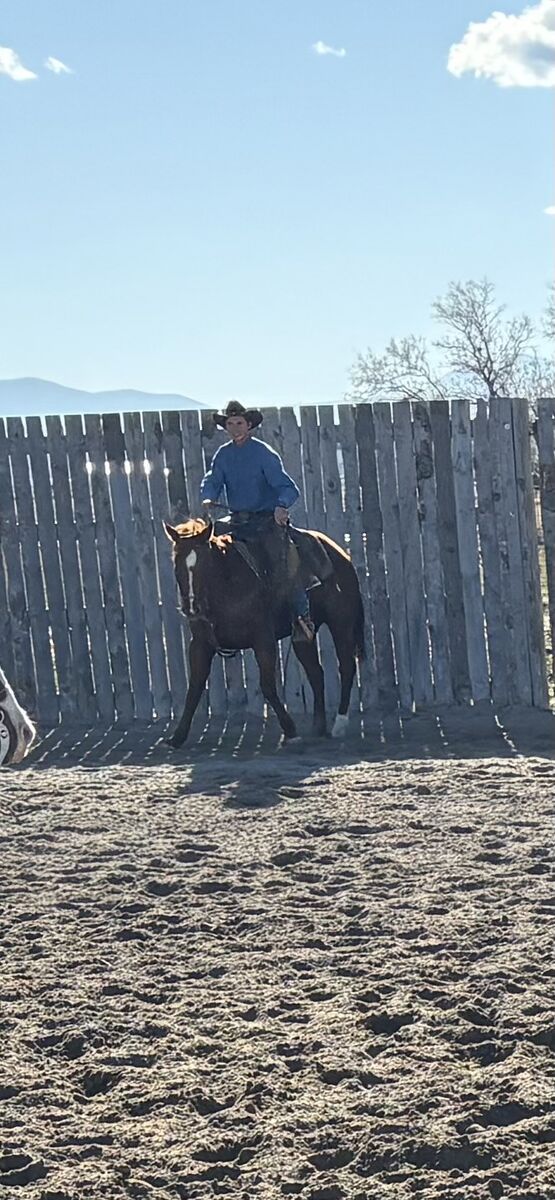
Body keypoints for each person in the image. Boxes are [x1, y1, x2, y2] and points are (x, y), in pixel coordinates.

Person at [200, 401, 331, 641]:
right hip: (236, 521)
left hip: (265, 521)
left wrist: (281, 506)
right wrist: (208, 496)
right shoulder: (223, 455)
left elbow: (288, 488)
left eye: (239, 423)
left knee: (282, 561)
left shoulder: (263, 453)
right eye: (230, 424)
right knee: (207, 554)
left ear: (249, 425)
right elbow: (213, 479)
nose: (234, 428)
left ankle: (302, 617)